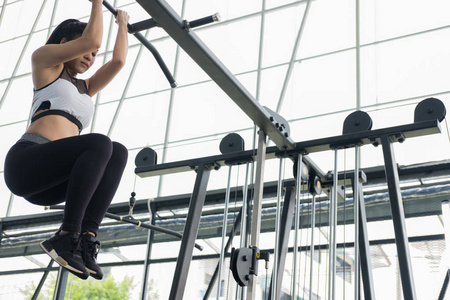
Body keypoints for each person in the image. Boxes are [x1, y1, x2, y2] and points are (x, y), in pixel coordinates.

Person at [4, 0, 129, 280]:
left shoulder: (86, 87)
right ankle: (67, 233)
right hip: (26, 163)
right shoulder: (45, 62)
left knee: (117, 152)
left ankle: (85, 238)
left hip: (51, 184)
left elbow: (118, 61)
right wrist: (97, 3)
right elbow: (92, 38)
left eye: (95, 55)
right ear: (64, 44)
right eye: (85, 50)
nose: (90, 56)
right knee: (100, 143)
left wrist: (122, 25)